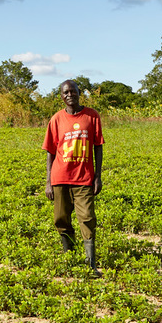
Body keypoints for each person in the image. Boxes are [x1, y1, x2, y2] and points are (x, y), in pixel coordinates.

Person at [43, 79, 104, 270]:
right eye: (65, 93)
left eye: (73, 91)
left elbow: (98, 147)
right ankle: (69, 257)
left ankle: (90, 264)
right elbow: (50, 152)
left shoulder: (92, 116)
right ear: (61, 96)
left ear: (79, 92)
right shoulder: (56, 119)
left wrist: (98, 176)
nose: (69, 95)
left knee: (87, 218)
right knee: (60, 218)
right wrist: (48, 182)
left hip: (84, 177)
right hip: (60, 177)